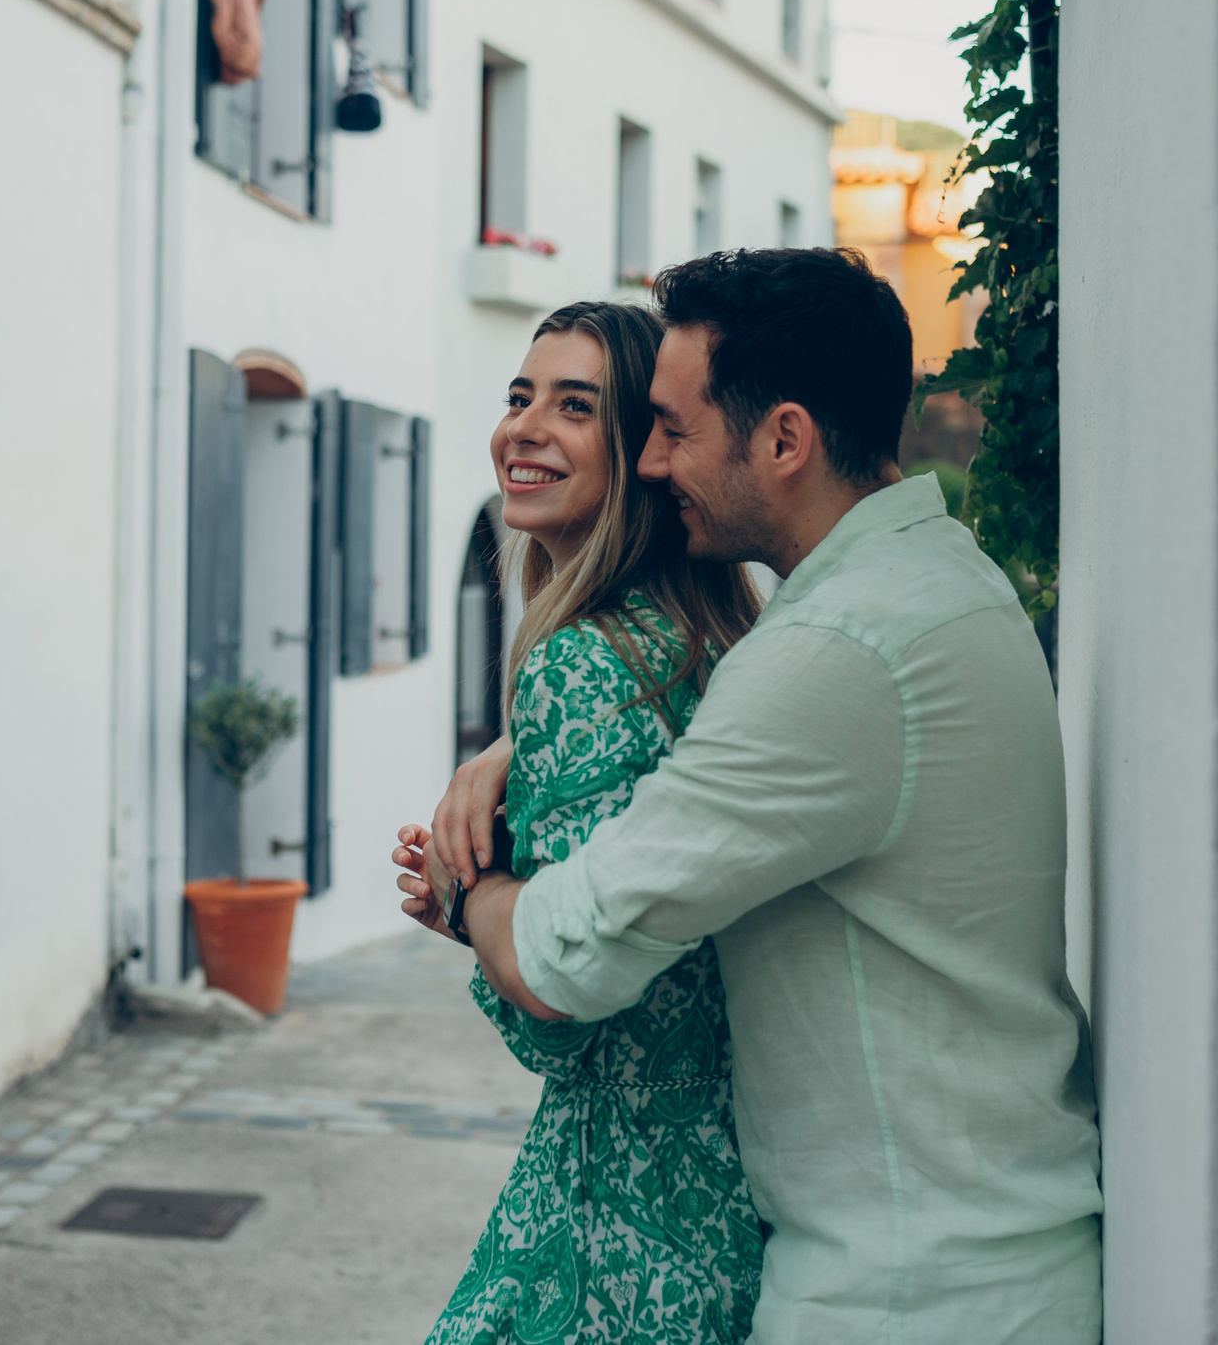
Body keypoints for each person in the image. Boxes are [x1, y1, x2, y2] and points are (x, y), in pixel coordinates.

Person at [397, 249, 1103, 1343]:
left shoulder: (832, 649)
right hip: (970, 1254)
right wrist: (518, 754)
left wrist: (469, 885)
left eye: (672, 428)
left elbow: (560, 960)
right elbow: (735, 741)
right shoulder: (932, 582)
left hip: (909, 1292)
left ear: (782, 438)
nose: (652, 457)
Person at [419, 300, 766, 1345]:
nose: (524, 426)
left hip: (619, 1205)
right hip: (727, 1180)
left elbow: (560, 1003)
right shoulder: (709, 641)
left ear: (640, 452)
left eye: (574, 406)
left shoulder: (578, 662)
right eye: (518, 396)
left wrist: (469, 896)